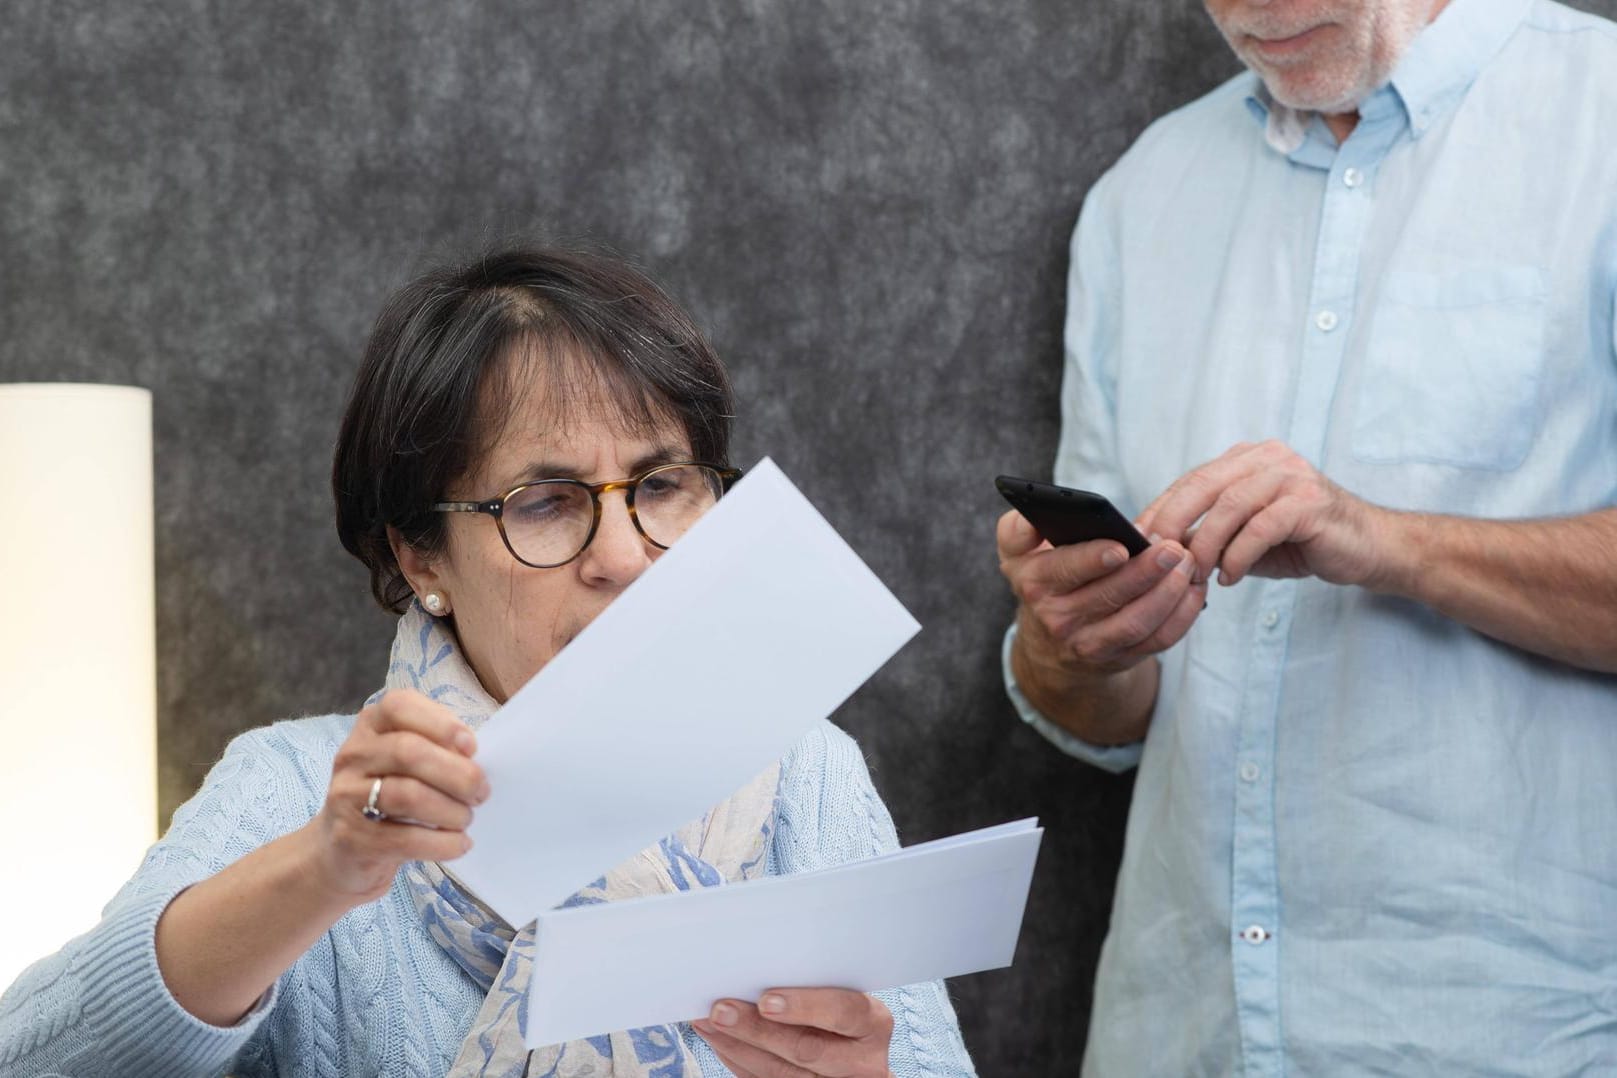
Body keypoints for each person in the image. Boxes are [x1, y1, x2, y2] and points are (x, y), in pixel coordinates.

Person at [0, 245, 975, 1078]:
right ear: (422, 555)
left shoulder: (809, 774)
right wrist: (327, 866)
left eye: (663, 484)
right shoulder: (302, 787)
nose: (626, 557)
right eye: (545, 502)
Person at [997, 0, 1617, 1073]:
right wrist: (1068, 646)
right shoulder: (1139, 198)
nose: (1254, 10)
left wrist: (1383, 540)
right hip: (1181, 1035)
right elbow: (1113, 714)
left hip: (1524, 1035)